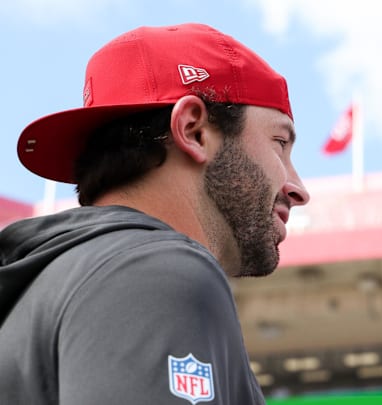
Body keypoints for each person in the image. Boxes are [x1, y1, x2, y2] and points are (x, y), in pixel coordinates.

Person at [0, 23, 309, 404]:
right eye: (279, 143)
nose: (298, 188)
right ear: (193, 130)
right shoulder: (157, 269)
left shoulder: (33, 294)